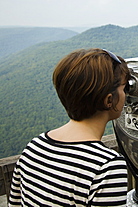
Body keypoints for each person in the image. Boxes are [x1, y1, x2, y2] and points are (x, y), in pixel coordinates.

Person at [8, 48, 130, 206]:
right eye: (124, 88)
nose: (127, 94)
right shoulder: (107, 167)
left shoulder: (33, 147)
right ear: (108, 100)